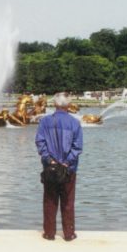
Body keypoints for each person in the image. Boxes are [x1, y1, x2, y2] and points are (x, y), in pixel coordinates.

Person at [35, 92, 83, 241]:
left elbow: (40, 143)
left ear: (54, 104)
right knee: (68, 202)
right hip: (69, 169)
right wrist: (66, 162)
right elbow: (77, 147)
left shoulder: (44, 121)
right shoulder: (75, 123)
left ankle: (49, 233)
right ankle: (69, 234)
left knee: (50, 201)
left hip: (50, 168)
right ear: (68, 105)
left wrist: (50, 160)